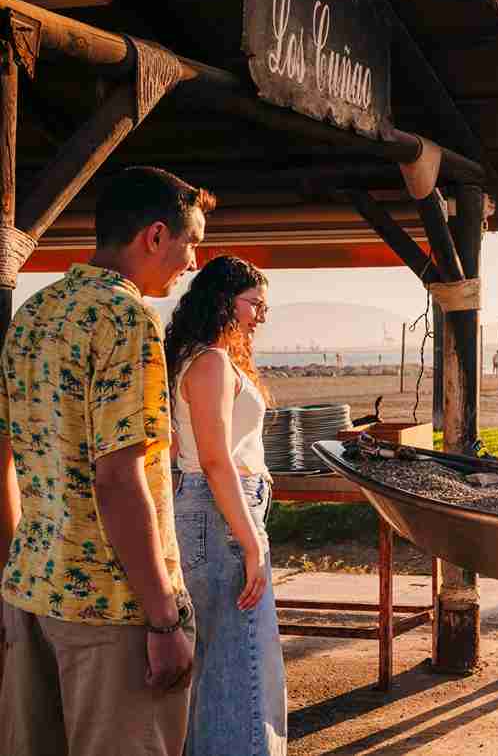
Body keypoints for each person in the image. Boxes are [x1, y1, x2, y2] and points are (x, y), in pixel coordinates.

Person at [0, 166, 213, 756]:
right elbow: (119, 479)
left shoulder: (33, 314)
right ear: (155, 236)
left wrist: (11, 577)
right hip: (113, 609)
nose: (193, 261)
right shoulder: (127, 318)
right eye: (191, 242)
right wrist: (163, 619)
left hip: (31, 593)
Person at [166, 256, 286, 755]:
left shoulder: (191, 357)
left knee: (217, 664)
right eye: (254, 304)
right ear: (224, 302)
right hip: (222, 515)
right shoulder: (211, 362)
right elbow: (215, 460)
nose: (261, 315)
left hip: (209, 510)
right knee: (242, 668)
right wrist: (252, 542)